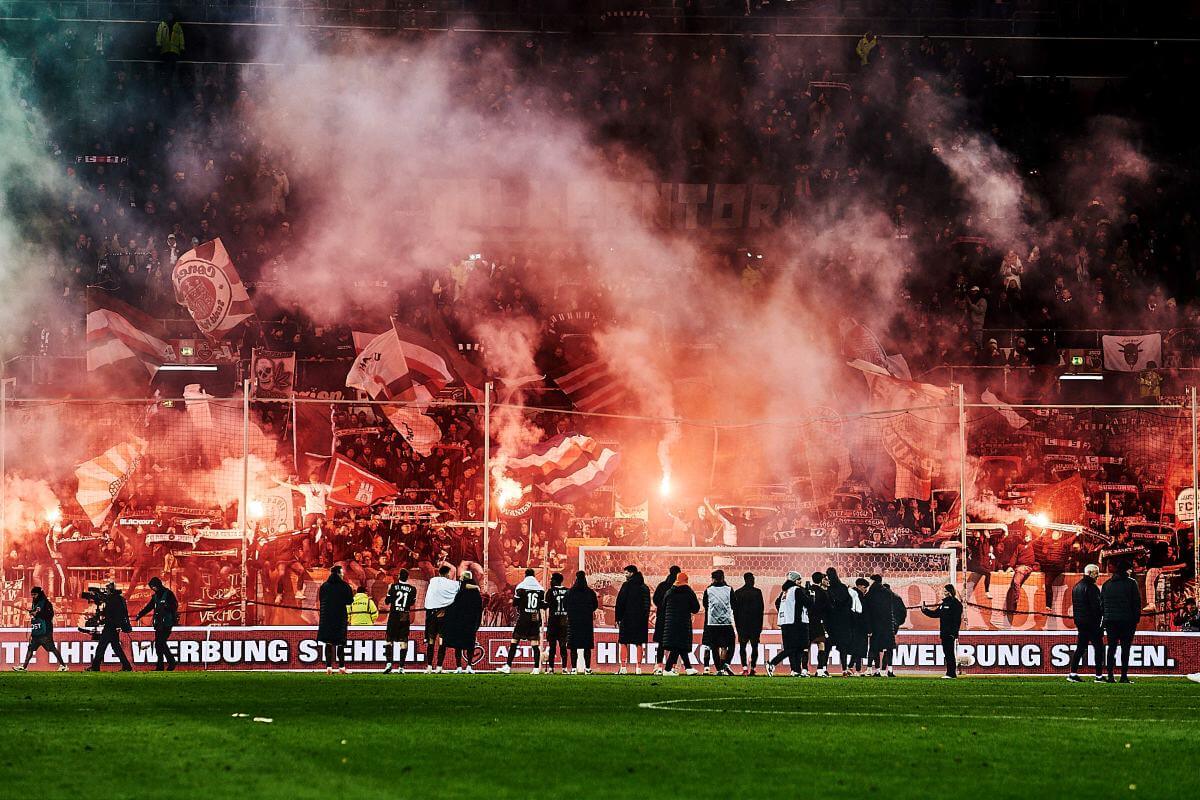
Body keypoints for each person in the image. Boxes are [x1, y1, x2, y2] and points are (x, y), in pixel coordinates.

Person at [1101, 560, 1142, 683]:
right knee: (1125, 649)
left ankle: (1110, 676)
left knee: (1111, 648)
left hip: (1110, 622)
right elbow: (1136, 603)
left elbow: (1102, 604)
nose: (1131, 571)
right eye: (1130, 569)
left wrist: (1106, 618)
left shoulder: (1107, 584)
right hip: (1127, 622)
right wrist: (1136, 619)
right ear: (1126, 570)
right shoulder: (1131, 583)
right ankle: (1123, 676)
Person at [498, 569, 545, 674]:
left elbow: (515, 603)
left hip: (523, 618)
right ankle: (536, 668)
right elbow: (541, 605)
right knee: (534, 644)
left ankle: (508, 666)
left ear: (525, 575)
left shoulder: (521, 587)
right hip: (534, 618)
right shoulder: (540, 589)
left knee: (514, 641)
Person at [12, 587, 68, 671]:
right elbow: (36, 615)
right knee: (30, 648)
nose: (33, 596)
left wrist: (37, 614)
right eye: (32, 595)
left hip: (45, 631)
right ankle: (24, 667)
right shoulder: (35, 603)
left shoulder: (46, 603)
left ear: (40, 594)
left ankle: (63, 666)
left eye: (35, 594)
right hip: (36, 630)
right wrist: (33, 613)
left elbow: (50, 615)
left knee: (51, 648)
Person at [1067, 564, 1106, 682]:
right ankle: (1099, 676)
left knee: (1080, 648)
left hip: (1080, 622)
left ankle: (1073, 673)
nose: (1098, 576)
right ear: (1091, 573)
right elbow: (1096, 608)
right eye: (1096, 573)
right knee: (1099, 648)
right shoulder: (1092, 588)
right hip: (1092, 623)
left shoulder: (1076, 587)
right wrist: (1100, 623)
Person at [766, 571, 808, 677]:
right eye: (799, 579)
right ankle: (772, 663)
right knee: (794, 648)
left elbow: (777, 603)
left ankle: (795, 670)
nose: (800, 581)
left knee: (794, 648)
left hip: (785, 623)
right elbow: (807, 603)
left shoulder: (784, 592)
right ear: (794, 580)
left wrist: (783, 613)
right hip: (794, 622)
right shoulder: (797, 590)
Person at [440, 571, 483, 673]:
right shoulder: (476, 593)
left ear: (463, 578)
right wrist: (477, 623)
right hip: (471, 623)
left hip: (459, 622)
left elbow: (452, 605)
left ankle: (458, 667)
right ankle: (469, 666)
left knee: (458, 644)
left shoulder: (459, 590)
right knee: (470, 645)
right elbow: (479, 609)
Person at [660, 572, 701, 675]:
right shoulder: (689, 592)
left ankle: (688, 668)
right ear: (686, 581)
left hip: (670, 623)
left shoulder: (669, 592)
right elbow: (696, 608)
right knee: (678, 645)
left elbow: (663, 607)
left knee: (679, 645)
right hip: (683, 622)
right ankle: (668, 669)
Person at [135, 577, 178, 672]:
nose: (153, 588)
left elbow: (175, 605)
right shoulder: (155, 597)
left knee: (160, 643)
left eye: (153, 586)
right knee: (159, 644)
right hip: (158, 624)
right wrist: (140, 615)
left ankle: (168, 663)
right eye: (152, 587)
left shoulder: (168, 594)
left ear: (157, 585)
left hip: (167, 623)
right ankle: (166, 664)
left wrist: (167, 608)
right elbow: (149, 607)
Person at [87, 582, 133, 672]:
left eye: (107, 590)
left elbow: (112, 614)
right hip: (113, 626)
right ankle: (127, 666)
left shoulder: (113, 600)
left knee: (101, 646)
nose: (106, 592)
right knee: (116, 647)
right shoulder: (117, 599)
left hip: (110, 626)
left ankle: (95, 667)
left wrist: (104, 618)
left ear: (111, 590)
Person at [317, 565, 354, 674]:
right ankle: (341, 667)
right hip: (339, 616)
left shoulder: (324, 586)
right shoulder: (345, 586)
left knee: (328, 642)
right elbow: (349, 601)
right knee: (340, 642)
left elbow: (321, 599)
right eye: (342, 573)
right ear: (338, 573)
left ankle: (328, 667)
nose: (343, 574)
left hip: (326, 617)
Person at [614, 564, 650, 675]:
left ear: (632, 573)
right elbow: (647, 605)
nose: (625, 575)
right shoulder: (644, 587)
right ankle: (638, 668)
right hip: (640, 620)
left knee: (624, 641)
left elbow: (620, 602)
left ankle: (623, 667)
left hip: (627, 618)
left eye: (626, 573)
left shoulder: (626, 586)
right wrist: (645, 617)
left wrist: (618, 618)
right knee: (639, 643)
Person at [922, 585, 964, 678]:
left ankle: (951, 673)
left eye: (944, 591)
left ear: (949, 592)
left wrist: (954, 633)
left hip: (950, 633)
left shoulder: (956, 604)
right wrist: (925, 611)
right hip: (944, 632)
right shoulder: (943, 604)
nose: (943, 593)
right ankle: (950, 673)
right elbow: (935, 614)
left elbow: (957, 620)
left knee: (949, 653)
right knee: (947, 653)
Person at [423, 564, 459, 673]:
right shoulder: (452, 584)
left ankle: (429, 666)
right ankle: (439, 667)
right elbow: (461, 586)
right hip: (443, 617)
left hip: (431, 616)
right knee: (442, 642)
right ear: (448, 574)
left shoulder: (433, 581)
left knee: (431, 641)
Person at [701, 570, 736, 676]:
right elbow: (734, 604)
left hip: (712, 623)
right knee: (729, 644)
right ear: (723, 578)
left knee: (714, 647)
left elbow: (705, 604)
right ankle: (725, 664)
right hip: (726, 622)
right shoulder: (729, 589)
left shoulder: (708, 590)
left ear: (713, 579)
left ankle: (719, 669)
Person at [383, 569, 417, 673]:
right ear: (407, 577)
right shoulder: (413, 589)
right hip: (404, 616)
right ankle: (401, 667)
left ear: (398, 576)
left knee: (389, 640)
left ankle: (389, 664)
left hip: (394, 616)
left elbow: (387, 601)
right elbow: (411, 603)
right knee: (404, 641)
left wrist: (389, 594)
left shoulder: (392, 587)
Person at [564, 570, 598, 674]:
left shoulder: (570, 592)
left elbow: (565, 605)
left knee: (573, 646)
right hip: (586, 622)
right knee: (587, 646)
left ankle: (574, 669)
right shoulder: (590, 592)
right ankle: (587, 669)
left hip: (573, 622)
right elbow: (595, 605)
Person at [732, 572, 764, 675]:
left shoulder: (738, 592)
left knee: (742, 647)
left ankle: (745, 668)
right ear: (750, 580)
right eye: (753, 579)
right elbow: (761, 611)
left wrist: (737, 625)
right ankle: (753, 668)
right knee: (755, 647)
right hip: (754, 625)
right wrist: (760, 626)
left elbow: (735, 611)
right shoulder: (757, 592)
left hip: (742, 625)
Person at [823, 568, 853, 676]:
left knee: (827, 647)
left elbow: (826, 606)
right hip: (843, 622)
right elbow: (849, 603)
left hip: (831, 622)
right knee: (843, 647)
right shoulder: (843, 588)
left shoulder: (828, 590)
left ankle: (823, 668)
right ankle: (844, 669)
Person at [651, 565, 681, 673]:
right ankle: (673, 668)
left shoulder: (662, 585)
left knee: (661, 643)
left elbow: (655, 600)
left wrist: (663, 607)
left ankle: (658, 666)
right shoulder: (682, 587)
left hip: (662, 618)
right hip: (676, 619)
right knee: (675, 643)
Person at [545, 572, 570, 674]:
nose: (550, 581)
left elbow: (546, 606)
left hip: (553, 622)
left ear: (555, 580)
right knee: (563, 646)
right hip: (564, 622)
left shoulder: (550, 591)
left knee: (552, 646)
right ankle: (564, 668)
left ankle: (551, 668)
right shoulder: (568, 591)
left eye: (552, 579)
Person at [808, 571, 830, 675]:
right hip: (818, 621)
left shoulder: (806, 590)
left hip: (807, 621)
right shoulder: (822, 592)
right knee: (821, 644)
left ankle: (804, 669)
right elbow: (828, 608)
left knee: (805, 646)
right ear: (821, 580)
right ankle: (820, 669)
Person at [847, 578, 870, 676]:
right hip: (859, 627)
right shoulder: (858, 596)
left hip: (853, 626)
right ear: (860, 586)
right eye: (865, 588)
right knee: (858, 648)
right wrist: (868, 627)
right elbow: (862, 614)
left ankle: (851, 667)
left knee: (856, 649)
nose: (865, 590)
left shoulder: (852, 594)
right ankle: (857, 670)